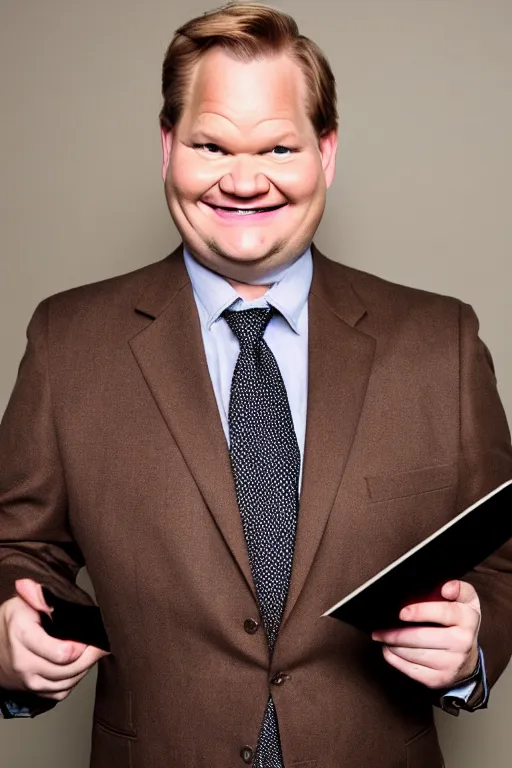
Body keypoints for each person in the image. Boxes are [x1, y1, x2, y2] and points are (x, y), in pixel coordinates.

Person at [0, 3, 511, 767]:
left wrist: (475, 647)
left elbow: (499, 560)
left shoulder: (441, 342)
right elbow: (16, 547)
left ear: (326, 152)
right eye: (211, 145)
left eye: (278, 146)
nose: (244, 181)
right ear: (168, 145)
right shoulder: (67, 342)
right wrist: (9, 635)